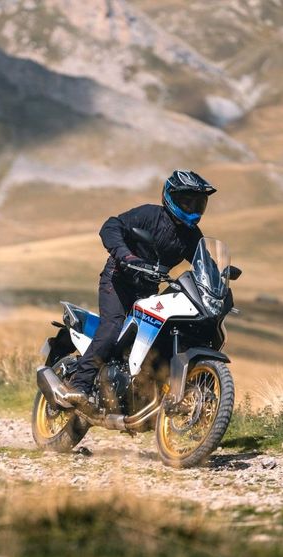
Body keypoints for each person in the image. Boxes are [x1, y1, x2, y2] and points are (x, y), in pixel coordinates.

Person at [61, 169, 217, 409]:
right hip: (118, 280)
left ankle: (140, 393)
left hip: (146, 290)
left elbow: (203, 263)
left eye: (198, 202)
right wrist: (125, 255)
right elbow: (111, 226)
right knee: (112, 326)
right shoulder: (150, 215)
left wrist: (217, 278)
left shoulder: (192, 236)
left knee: (157, 336)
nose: (193, 207)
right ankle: (79, 385)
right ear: (171, 198)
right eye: (187, 201)